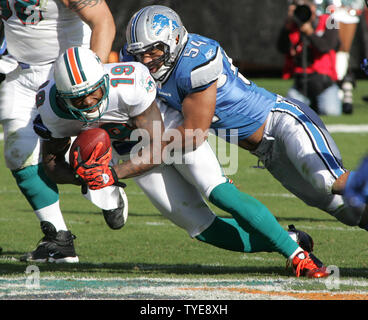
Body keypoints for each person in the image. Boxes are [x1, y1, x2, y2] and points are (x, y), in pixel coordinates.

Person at [35, 46, 330, 278]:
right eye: (78, 99)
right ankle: (289, 239)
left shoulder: (129, 83)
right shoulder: (51, 110)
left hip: (168, 134)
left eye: (92, 93)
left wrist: (111, 174)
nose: (87, 103)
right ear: (62, 97)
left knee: (218, 191)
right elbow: (49, 166)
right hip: (127, 152)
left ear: (103, 80)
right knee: (202, 229)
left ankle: (298, 258)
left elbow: (158, 146)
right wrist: (85, 177)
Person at [122, 5, 368, 233]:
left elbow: (194, 132)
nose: (145, 60)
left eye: (153, 51)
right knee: (345, 210)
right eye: (140, 53)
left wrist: (129, 164)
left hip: (281, 122)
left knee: (329, 181)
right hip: (266, 151)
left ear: (174, 40)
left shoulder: (196, 61)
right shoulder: (139, 62)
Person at [0, 0, 116, 263]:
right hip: (19, 71)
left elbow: (103, 21)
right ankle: (58, 239)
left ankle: (106, 182)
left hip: (63, 75)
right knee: (17, 153)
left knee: (77, 156)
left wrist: (88, 77)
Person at [277, 0, 341, 116]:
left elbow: (326, 47)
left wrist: (310, 33)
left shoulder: (330, 20)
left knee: (331, 112)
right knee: (287, 114)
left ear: (313, 7)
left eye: (305, 6)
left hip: (324, 83)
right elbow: (282, 48)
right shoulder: (292, 25)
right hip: (301, 84)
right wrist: (286, 27)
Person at [316, 0, 365, 114]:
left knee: (343, 52)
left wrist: (351, 7)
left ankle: (342, 89)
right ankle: (340, 88)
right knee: (334, 51)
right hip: (330, 12)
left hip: (348, 13)